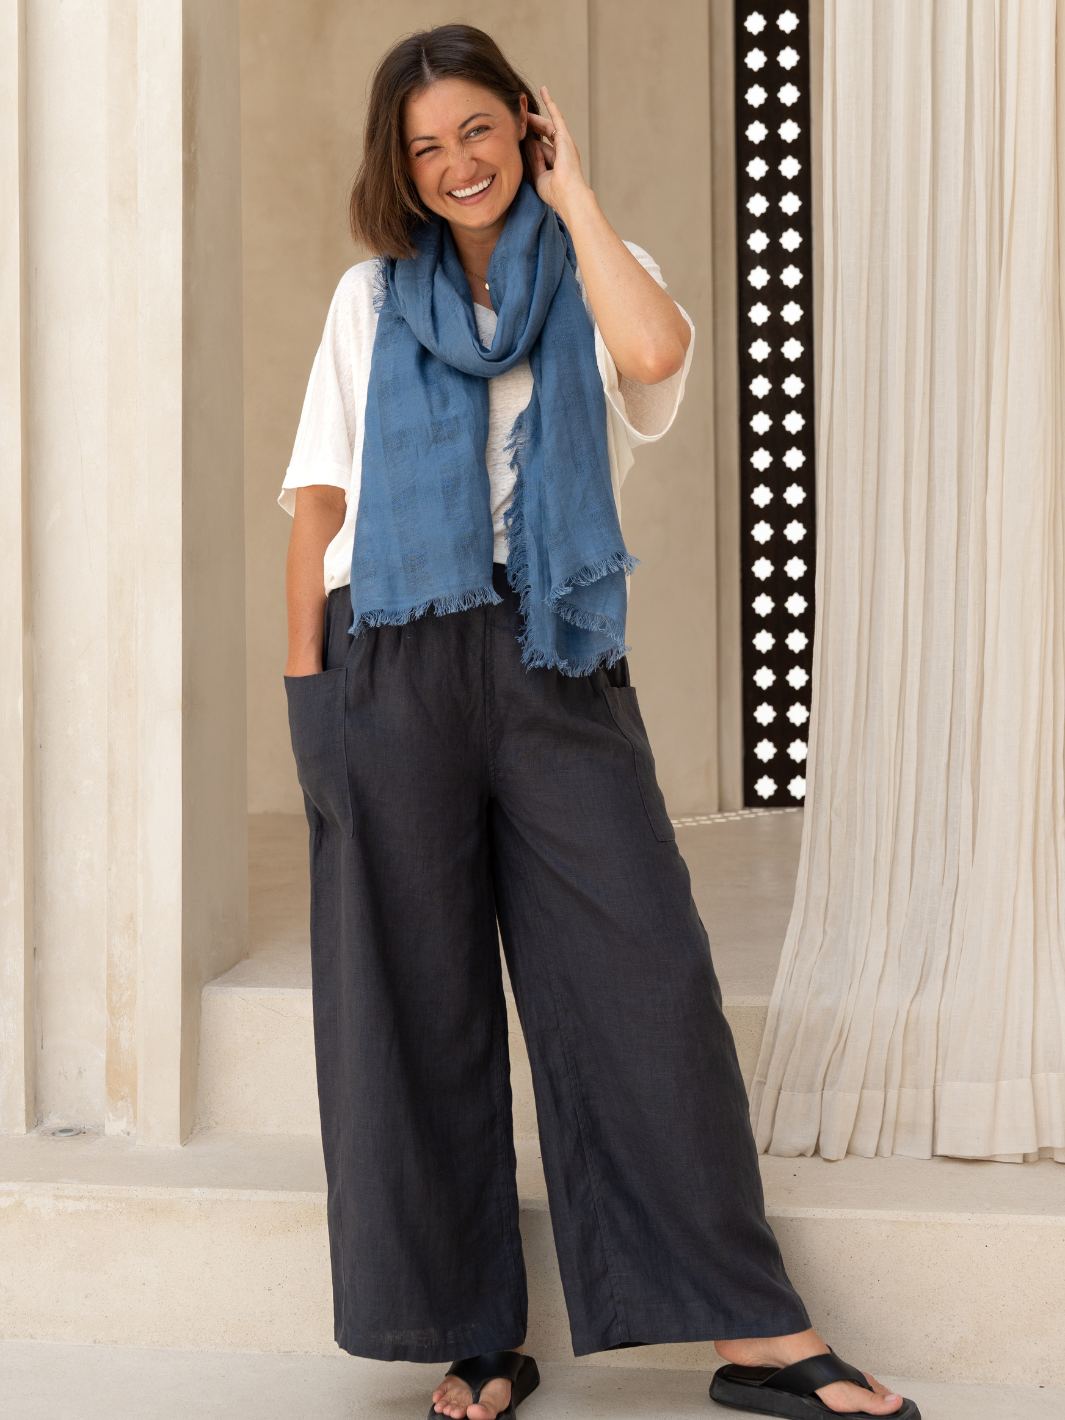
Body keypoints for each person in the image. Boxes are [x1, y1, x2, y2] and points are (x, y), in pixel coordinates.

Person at [280, 23, 916, 1420]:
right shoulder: (369, 300)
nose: (457, 164)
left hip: (551, 652)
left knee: (645, 978)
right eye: (425, 147)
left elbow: (655, 351)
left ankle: (755, 1333)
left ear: (526, 124)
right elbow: (320, 502)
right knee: (413, 1001)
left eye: (479, 130)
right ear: (400, 165)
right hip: (387, 659)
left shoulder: (596, 267)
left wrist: (576, 196)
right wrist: (310, 697)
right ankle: (475, 1333)